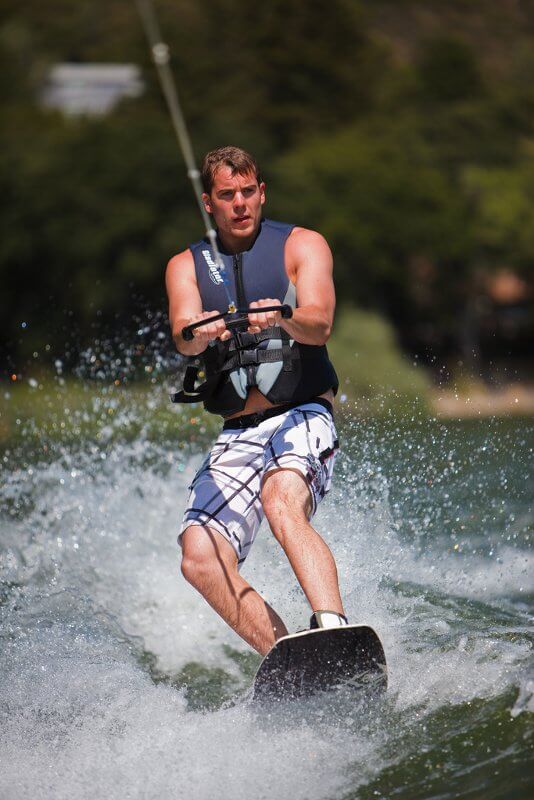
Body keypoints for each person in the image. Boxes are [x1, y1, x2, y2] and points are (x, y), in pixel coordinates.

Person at [166, 145, 347, 656]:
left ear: (261, 193)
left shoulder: (302, 244)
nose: (240, 204)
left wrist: (284, 314)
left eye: (249, 192)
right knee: (198, 556)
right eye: (228, 195)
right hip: (238, 433)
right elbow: (183, 333)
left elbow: (320, 322)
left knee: (280, 501)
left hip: (303, 413)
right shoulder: (187, 264)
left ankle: (332, 627)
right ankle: (289, 655)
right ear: (210, 202)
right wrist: (202, 330)